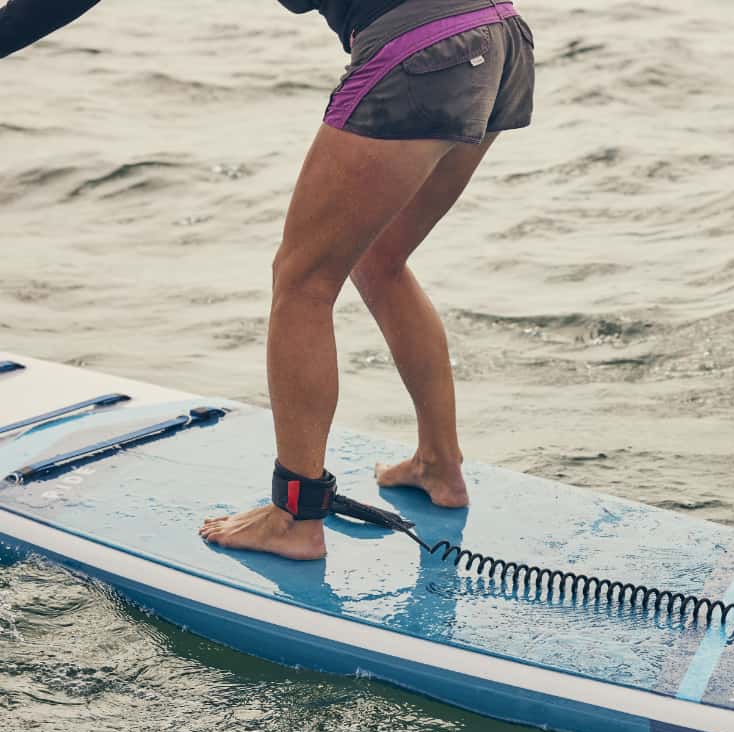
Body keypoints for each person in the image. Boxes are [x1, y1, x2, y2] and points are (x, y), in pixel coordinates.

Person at [1, 0, 535, 560]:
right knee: (380, 258)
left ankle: (294, 519)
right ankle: (439, 466)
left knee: (302, 282)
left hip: (422, 51)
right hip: (494, 34)